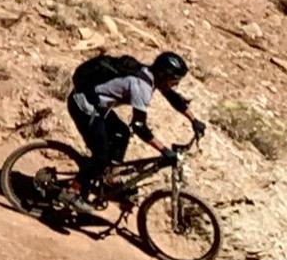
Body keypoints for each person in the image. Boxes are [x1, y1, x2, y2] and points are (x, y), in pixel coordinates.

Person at [67, 48, 197, 207]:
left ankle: (110, 179)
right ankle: (71, 192)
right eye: (174, 80)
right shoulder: (141, 86)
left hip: (97, 106)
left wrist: (194, 120)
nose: (175, 84)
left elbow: (172, 97)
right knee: (100, 155)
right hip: (83, 104)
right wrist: (163, 150)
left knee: (121, 133)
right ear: (163, 75)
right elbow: (139, 126)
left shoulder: (149, 75)